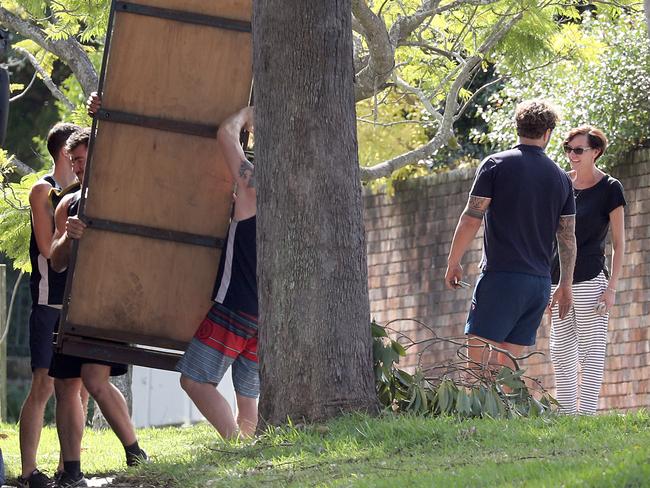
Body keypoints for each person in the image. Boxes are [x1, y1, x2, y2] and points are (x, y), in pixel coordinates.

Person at [445, 99, 577, 371]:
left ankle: (477, 413)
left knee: (477, 367)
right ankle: (504, 413)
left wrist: (453, 261)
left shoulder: (495, 164)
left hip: (501, 277)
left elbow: (471, 217)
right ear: (548, 132)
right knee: (505, 369)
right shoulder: (562, 178)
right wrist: (564, 284)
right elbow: (567, 237)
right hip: (538, 284)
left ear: (517, 127)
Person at [49, 128, 147, 487]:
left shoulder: (124, 194)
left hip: (111, 301)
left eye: (80, 159)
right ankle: (71, 471)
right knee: (64, 385)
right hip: (75, 305)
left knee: (95, 380)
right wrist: (67, 237)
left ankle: (135, 452)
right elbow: (56, 261)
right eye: (71, 160)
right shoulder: (66, 204)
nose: (75, 167)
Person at [175, 106, 258, 439]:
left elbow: (225, 133)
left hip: (235, 306)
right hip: (264, 313)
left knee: (194, 379)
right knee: (248, 393)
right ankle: (250, 450)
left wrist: (246, 115)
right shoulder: (294, 200)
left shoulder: (252, 187)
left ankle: (234, 443)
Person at [18, 122, 88, 488]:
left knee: (77, 387)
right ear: (65, 153)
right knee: (43, 384)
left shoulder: (86, 190)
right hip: (49, 301)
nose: (81, 161)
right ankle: (29, 471)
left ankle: (68, 467)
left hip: (78, 302)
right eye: (75, 155)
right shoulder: (44, 190)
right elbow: (48, 250)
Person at [549, 126, 626, 415]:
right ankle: (566, 414)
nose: (571, 155)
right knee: (560, 349)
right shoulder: (560, 184)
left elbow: (619, 243)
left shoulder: (610, 188)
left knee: (590, 352)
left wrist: (612, 288)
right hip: (557, 280)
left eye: (578, 150)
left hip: (591, 279)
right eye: (568, 149)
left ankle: (587, 414)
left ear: (596, 152)